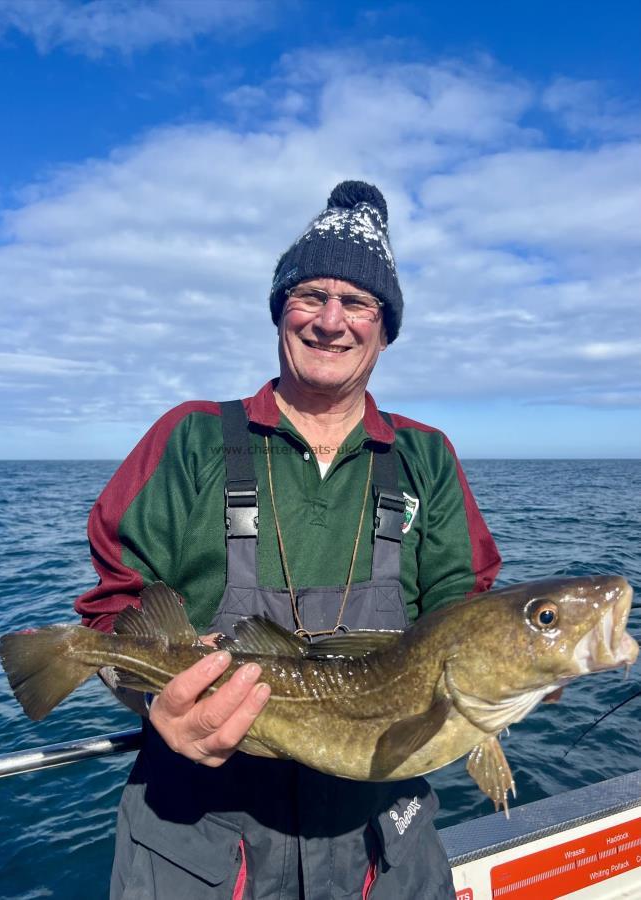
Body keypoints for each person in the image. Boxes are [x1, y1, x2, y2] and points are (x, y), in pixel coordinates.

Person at [75, 180, 501, 899]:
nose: (332, 322)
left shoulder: (427, 456)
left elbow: (469, 610)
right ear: (279, 313)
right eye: (310, 296)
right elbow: (115, 602)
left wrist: (526, 671)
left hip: (379, 847)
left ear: (386, 327)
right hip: (198, 836)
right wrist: (152, 705)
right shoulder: (190, 437)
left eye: (358, 304)